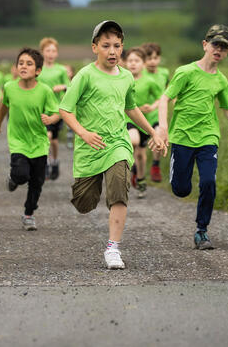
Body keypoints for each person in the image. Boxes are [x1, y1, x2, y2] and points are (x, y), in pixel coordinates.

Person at [59, 20, 167, 270]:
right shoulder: (85, 75)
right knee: (85, 202)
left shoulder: (127, 77)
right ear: (94, 47)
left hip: (118, 142)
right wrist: (84, 133)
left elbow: (131, 108)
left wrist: (153, 132)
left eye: (117, 46)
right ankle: (89, 188)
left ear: (123, 48)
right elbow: (65, 110)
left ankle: (113, 248)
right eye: (106, 45)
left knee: (119, 188)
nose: (112, 51)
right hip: (89, 147)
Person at [157, 24, 228, 250]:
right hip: (182, 137)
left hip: (208, 137)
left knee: (208, 182)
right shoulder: (185, 72)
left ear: (227, 52)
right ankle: (176, 176)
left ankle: (201, 231)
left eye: (224, 47)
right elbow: (165, 99)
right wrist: (163, 128)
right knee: (181, 190)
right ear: (205, 45)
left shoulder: (221, 80)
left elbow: (226, 106)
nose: (219, 49)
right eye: (216, 44)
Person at [0, 48, 60, 230]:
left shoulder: (45, 91)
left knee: (37, 182)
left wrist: (51, 119)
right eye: (21, 63)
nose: (23, 66)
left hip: (39, 143)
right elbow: (3, 107)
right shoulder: (9, 87)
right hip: (18, 141)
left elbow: (57, 113)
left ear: (38, 70)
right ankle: (14, 179)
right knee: (21, 174)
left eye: (29, 64)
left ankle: (29, 214)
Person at [125, 47, 162, 199]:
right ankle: (129, 170)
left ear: (143, 63)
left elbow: (163, 97)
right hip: (127, 119)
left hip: (143, 121)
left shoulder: (149, 81)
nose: (133, 64)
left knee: (141, 155)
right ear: (126, 63)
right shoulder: (122, 79)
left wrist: (152, 106)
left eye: (136, 61)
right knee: (133, 140)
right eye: (130, 61)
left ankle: (140, 180)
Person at [38, 37, 70, 181]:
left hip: (56, 110)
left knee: (54, 140)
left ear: (57, 53)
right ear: (42, 52)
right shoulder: (38, 69)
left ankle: (55, 161)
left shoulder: (61, 70)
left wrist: (62, 87)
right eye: (48, 50)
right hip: (41, 110)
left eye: (53, 51)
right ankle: (44, 164)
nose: (50, 53)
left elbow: (70, 88)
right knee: (46, 137)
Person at [142, 42, 171, 183]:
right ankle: (137, 168)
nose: (152, 61)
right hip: (140, 114)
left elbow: (168, 93)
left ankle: (155, 165)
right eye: (149, 58)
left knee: (159, 136)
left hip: (157, 113)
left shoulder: (164, 73)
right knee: (138, 146)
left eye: (155, 58)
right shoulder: (138, 73)